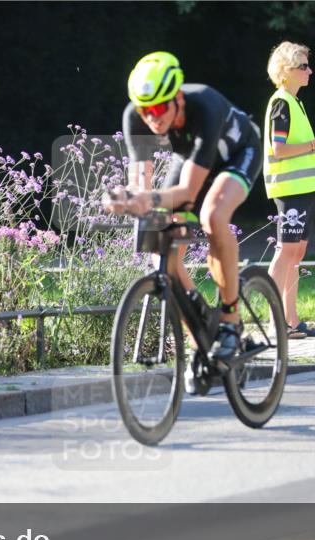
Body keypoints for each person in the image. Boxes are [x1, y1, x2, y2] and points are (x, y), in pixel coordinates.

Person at [103, 51, 262, 377]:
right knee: (160, 253)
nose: (152, 118)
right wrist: (124, 199)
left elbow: (189, 192)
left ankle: (231, 320)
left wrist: (148, 197)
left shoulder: (205, 106)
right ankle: (198, 334)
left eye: (160, 108)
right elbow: (140, 186)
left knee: (213, 216)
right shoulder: (136, 116)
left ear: (177, 97)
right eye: (146, 110)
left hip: (236, 155)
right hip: (190, 160)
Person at [263, 41, 315, 338]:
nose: (310, 70)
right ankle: (275, 322)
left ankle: (292, 322)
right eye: (303, 66)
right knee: (286, 252)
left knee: (295, 254)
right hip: (290, 189)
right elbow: (278, 149)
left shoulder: (295, 102)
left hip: (303, 188)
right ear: (286, 71)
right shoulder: (281, 102)